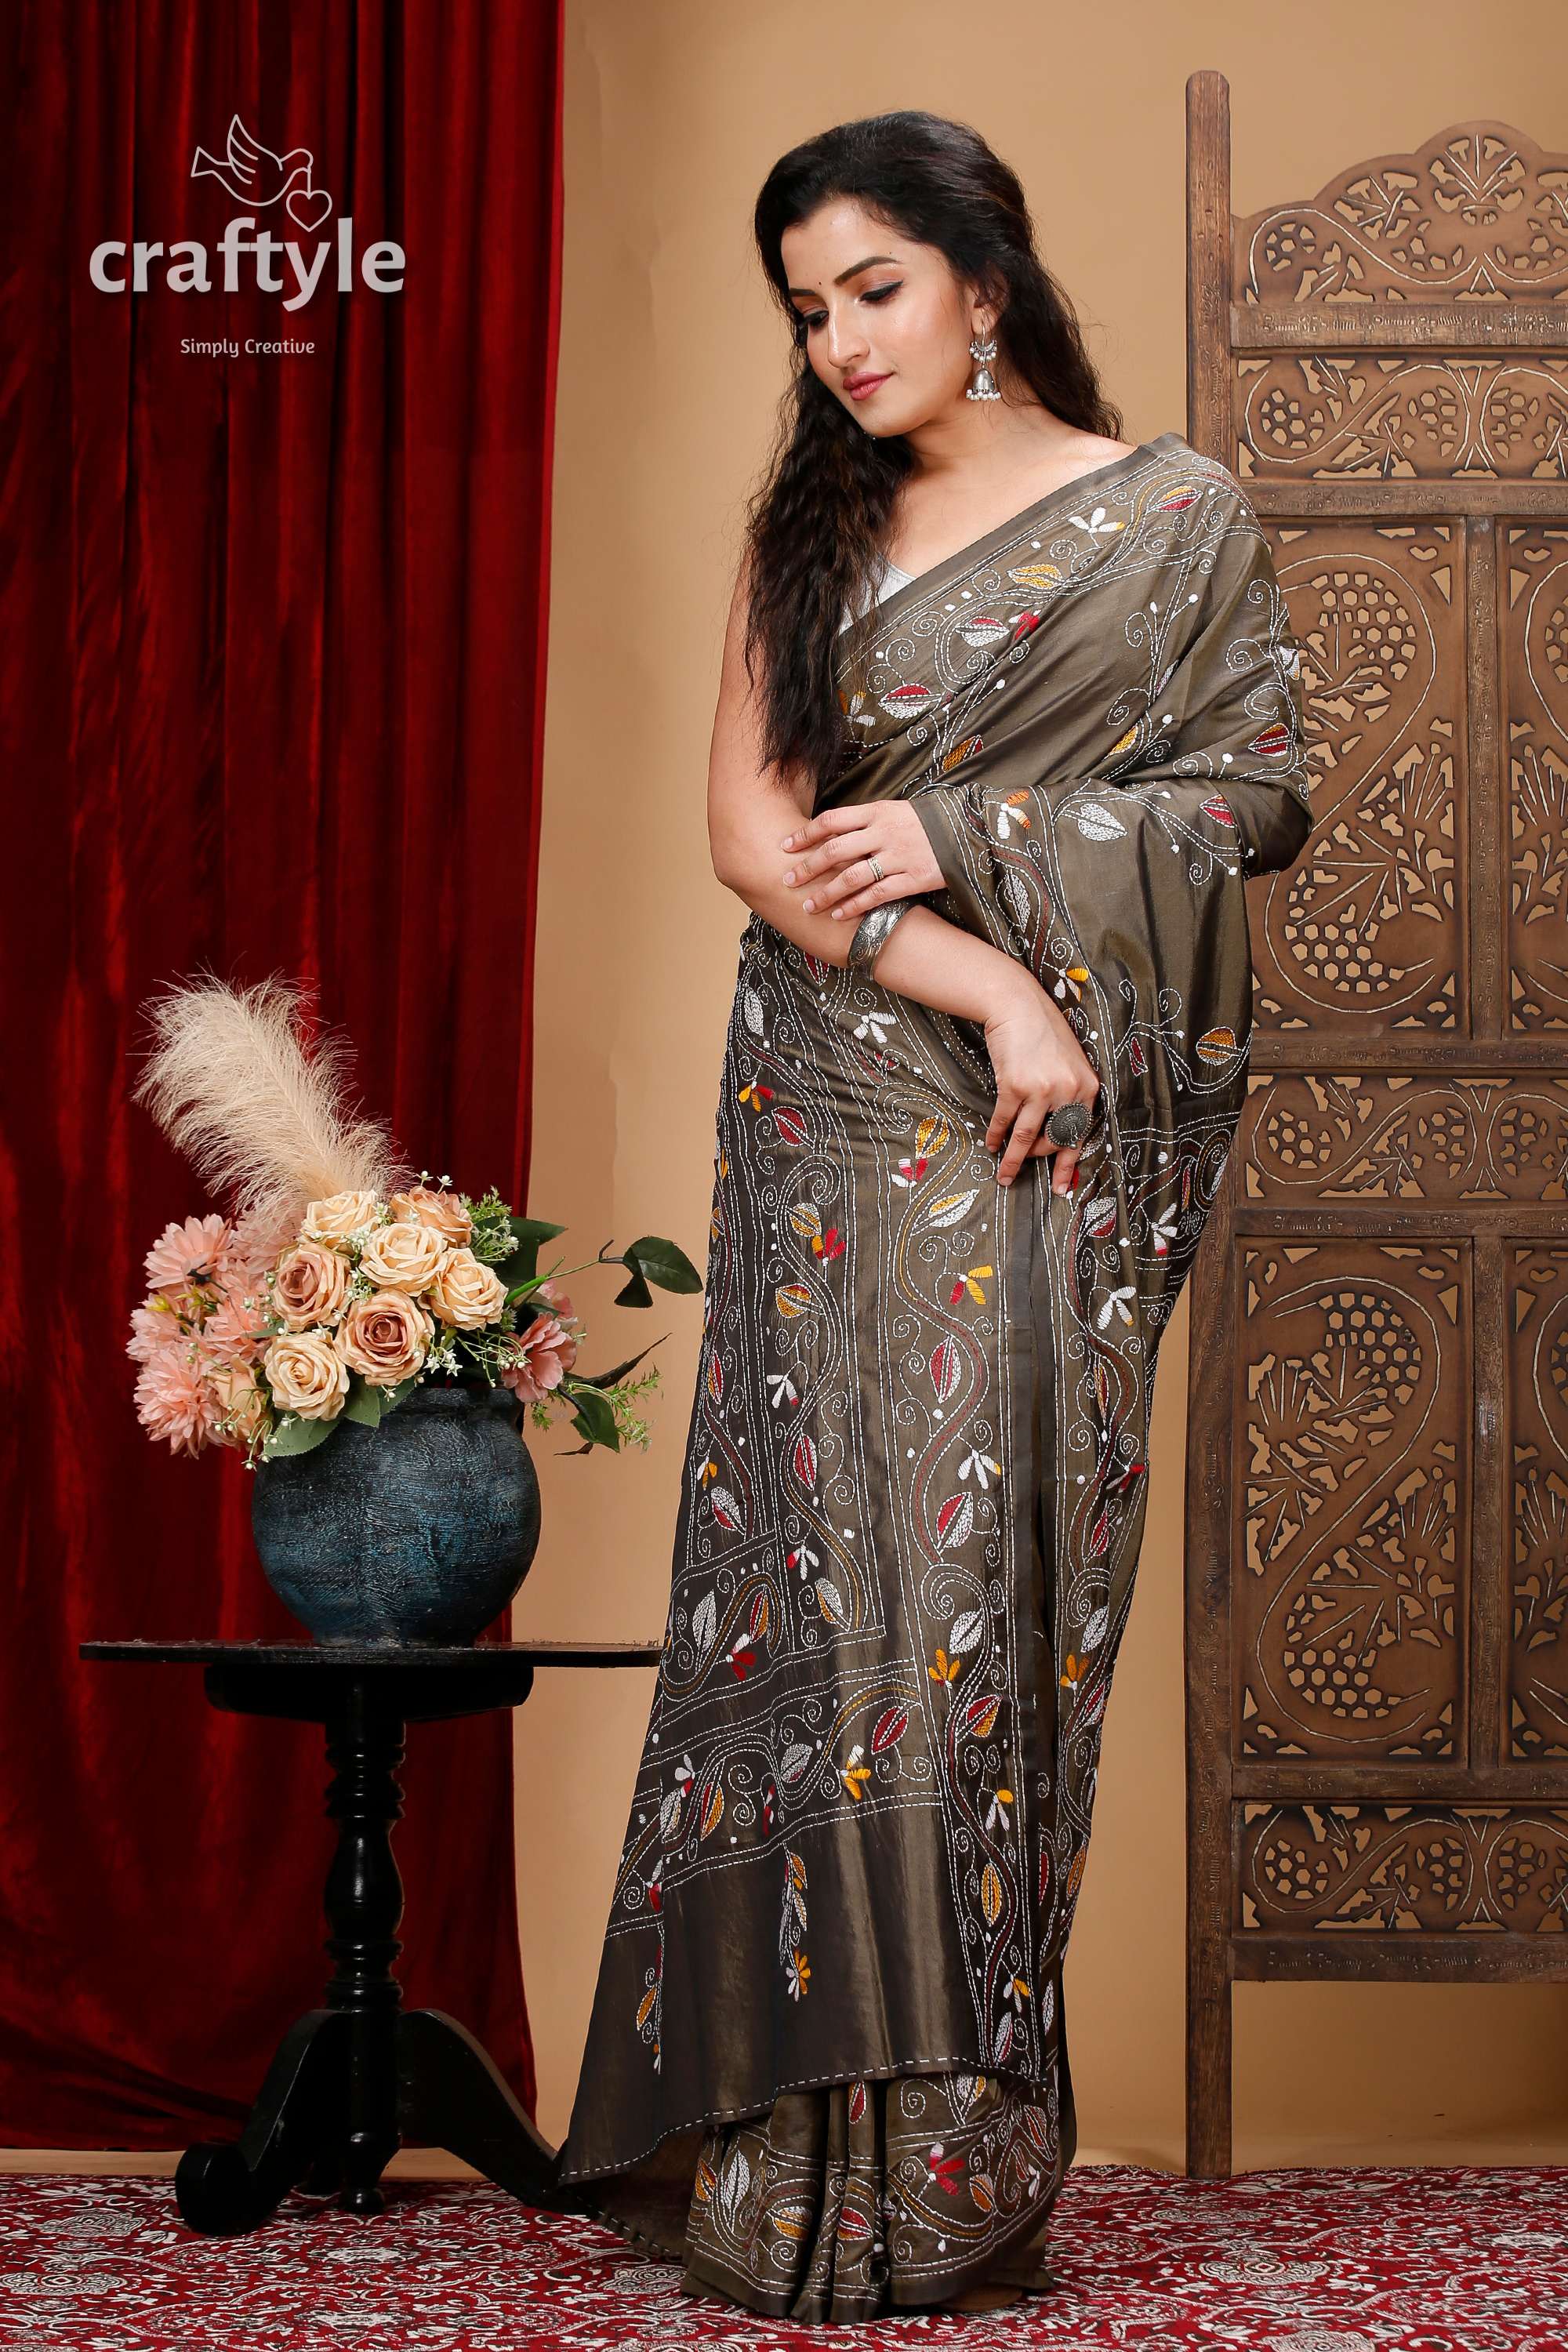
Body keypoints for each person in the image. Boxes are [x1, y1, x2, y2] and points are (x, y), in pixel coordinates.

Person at [551, 109, 1314, 2323]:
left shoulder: (1171, 521)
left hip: (1028, 1145)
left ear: (986, 278)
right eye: (808, 305)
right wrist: (985, 970)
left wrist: (978, 833)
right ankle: (784, 2145)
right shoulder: (816, 526)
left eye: (875, 287)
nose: (843, 338)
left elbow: (1253, 795)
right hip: (837, 1104)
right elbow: (751, 834)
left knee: (991, 1600)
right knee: (822, 1596)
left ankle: (959, 2147)